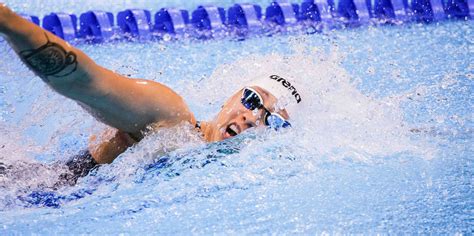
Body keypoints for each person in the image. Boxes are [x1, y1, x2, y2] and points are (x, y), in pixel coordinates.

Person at [0, 4, 301, 185]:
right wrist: (6, 21)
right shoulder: (170, 119)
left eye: (270, 120)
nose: (251, 117)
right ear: (230, 98)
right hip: (32, 191)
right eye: (251, 99)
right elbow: (81, 80)